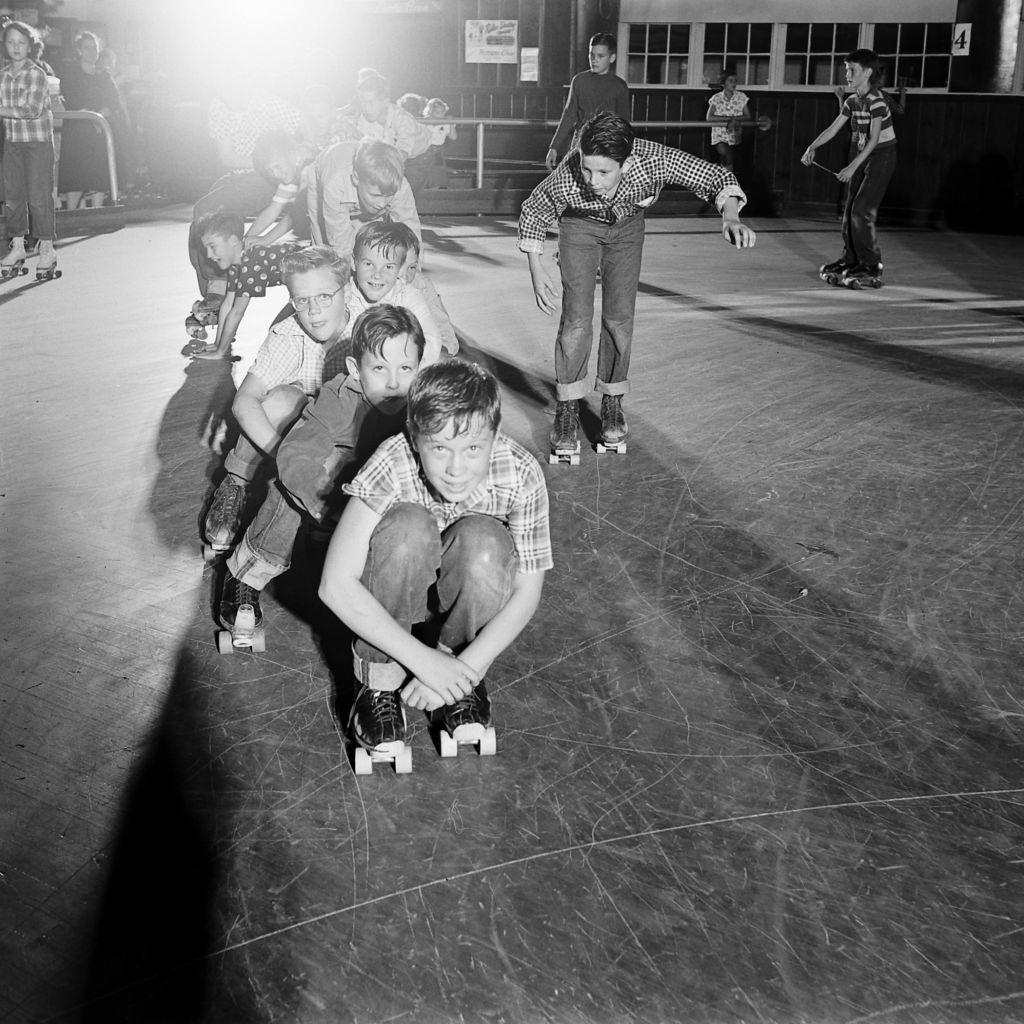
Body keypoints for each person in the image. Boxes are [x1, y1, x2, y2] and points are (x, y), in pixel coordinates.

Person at [318, 359, 552, 764]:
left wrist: (464, 669)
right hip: (393, 600)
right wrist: (422, 662)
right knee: (407, 528)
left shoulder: (522, 473)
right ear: (414, 437)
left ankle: (458, 680)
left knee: (485, 542)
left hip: (457, 621)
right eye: (439, 448)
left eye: (473, 449)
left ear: (496, 436)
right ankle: (378, 684)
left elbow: (527, 592)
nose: (456, 469)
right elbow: (334, 584)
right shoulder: (392, 460)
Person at [519, 111, 756, 458]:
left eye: (604, 172)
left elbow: (715, 176)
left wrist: (730, 217)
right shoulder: (570, 174)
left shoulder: (654, 161)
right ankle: (568, 405)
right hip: (579, 227)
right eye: (587, 168)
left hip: (627, 228)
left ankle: (612, 400)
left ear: (626, 164)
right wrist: (536, 268)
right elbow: (534, 209)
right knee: (577, 318)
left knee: (619, 316)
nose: (592, 180)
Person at [216, 303, 425, 650]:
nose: (393, 382)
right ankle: (247, 574)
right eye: (379, 368)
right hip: (330, 498)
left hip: (383, 503)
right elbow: (297, 454)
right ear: (355, 370)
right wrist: (322, 503)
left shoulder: (420, 403)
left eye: (406, 368)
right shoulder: (338, 398)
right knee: (291, 487)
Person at [202, 245, 352, 558]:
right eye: (302, 300)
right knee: (281, 399)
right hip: (300, 442)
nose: (313, 311)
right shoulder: (288, 333)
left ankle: (325, 501)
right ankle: (236, 483)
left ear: (345, 290)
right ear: (291, 300)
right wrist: (289, 459)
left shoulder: (369, 330)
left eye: (324, 296)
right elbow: (244, 402)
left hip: (346, 440)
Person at [802, 48, 898, 289]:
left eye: (851, 69)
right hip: (861, 150)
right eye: (846, 69)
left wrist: (851, 167)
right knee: (848, 212)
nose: (846, 74)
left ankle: (871, 264)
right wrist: (811, 147)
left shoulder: (877, 101)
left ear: (866, 72)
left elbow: (875, 140)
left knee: (861, 210)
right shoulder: (852, 100)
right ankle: (851, 259)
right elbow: (834, 128)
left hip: (882, 155)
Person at [191, 210, 303, 360]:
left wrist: (220, 352)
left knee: (278, 332)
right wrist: (217, 344)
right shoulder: (236, 261)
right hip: (299, 282)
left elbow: (237, 312)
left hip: (313, 275)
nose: (209, 255)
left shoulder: (250, 261)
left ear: (232, 241)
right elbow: (227, 304)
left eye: (212, 246)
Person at [0, 19, 58, 280]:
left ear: (30, 46)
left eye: (21, 43)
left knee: (38, 198)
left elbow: (30, 110)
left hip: (37, 143)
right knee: (12, 197)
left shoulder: (37, 74)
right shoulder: (2, 76)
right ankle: (18, 246)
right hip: (13, 142)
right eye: (10, 42)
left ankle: (46, 248)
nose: (15, 47)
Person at [345, 220, 442, 365]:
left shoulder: (409, 296)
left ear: (399, 269)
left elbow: (431, 342)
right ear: (353, 262)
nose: (377, 275)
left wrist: (395, 365)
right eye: (368, 264)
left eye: (388, 267)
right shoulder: (343, 294)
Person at [306, 137, 420, 260]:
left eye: (389, 195)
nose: (382, 204)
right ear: (355, 179)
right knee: (322, 246)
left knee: (372, 243)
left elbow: (411, 232)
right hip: (322, 177)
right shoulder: (334, 185)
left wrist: (412, 268)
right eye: (375, 195)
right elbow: (339, 243)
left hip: (356, 190)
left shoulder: (401, 186)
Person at [58, 30, 127, 209]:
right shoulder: (70, 74)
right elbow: (71, 100)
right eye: (87, 48)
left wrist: (101, 116)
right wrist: (88, 116)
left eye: (95, 48)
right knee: (77, 177)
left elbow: (114, 102)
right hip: (78, 132)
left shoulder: (104, 76)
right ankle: (71, 217)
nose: (92, 52)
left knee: (99, 177)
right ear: (79, 50)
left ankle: (97, 215)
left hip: (99, 132)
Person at [544, 33, 630, 172]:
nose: (594, 60)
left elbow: (624, 124)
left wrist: (624, 153)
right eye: (592, 55)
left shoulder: (619, 86)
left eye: (600, 56)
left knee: (600, 186)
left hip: (606, 145)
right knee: (575, 185)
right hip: (580, 143)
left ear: (612, 58)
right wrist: (554, 147)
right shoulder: (579, 81)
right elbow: (568, 115)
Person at [335, 67, 424, 159]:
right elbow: (365, 145)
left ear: (385, 102)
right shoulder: (364, 119)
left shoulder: (402, 119)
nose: (366, 108)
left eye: (370, 102)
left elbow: (404, 151)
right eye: (363, 102)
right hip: (399, 153)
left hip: (423, 153)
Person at [706, 68, 750, 173]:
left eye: (735, 81)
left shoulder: (741, 97)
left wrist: (734, 120)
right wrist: (729, 119)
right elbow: (709, 117)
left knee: (732, 160)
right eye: (730, 80)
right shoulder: (716, 98)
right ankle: (726, 180)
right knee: (727, 155)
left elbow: (747, 116)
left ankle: (722, 177)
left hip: (735, 135)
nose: (734, 83)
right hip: (719, 136)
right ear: (723, 83)